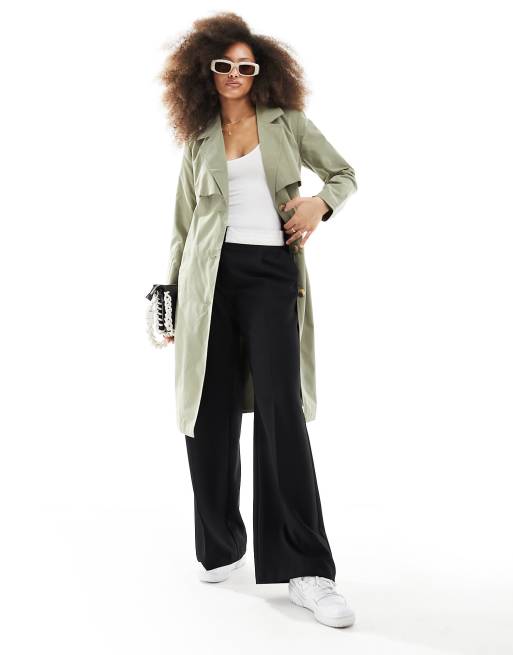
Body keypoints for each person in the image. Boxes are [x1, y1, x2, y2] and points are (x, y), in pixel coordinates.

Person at [158, 12, 357, 629]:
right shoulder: (198, 140)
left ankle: (306, 568)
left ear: (261, 71)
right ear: (205, 71)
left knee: (281, 413)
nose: (235, 75)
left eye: (246, 66)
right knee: (208, 410)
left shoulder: (286, 122)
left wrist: (319, 204)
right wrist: (167, 301)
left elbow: (343, 174)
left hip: (271, 276)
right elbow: (183, 228)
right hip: (206, 283)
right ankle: (220, 544)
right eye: (224, 66)